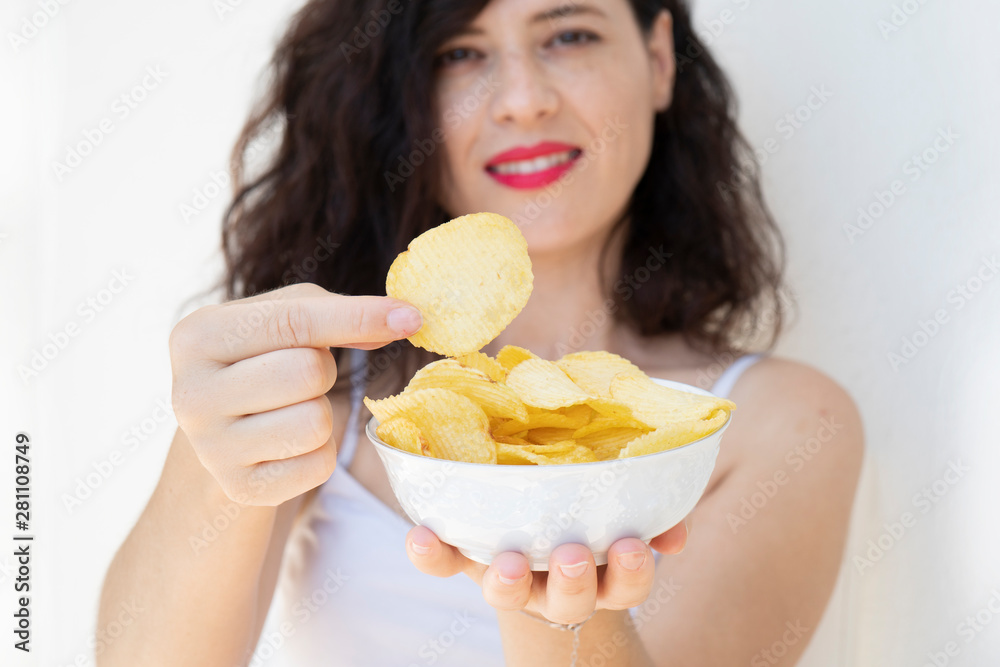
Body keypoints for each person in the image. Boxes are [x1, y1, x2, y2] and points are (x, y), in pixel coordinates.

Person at [96, 0, 864, 665]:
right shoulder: (322, 396)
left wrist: (555, 606)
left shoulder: (783, 423)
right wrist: (211, 459)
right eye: (460, 52)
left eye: (569, 35)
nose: (523, 99)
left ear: (658, 58)